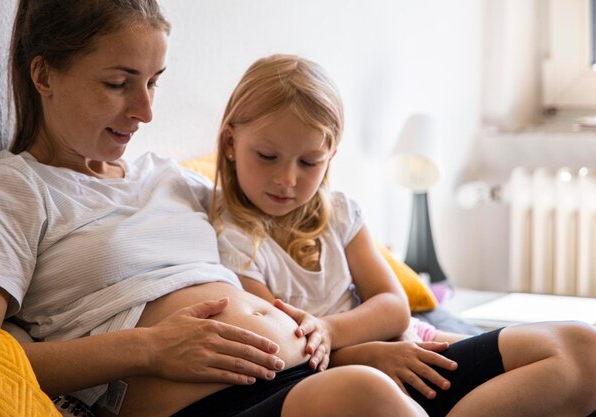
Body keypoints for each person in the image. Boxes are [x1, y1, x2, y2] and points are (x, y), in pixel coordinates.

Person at [0, 1, 433, 417]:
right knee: (364, 394)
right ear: (44, 75)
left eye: (153, 82)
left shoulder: (170, 176)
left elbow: (293, 216)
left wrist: (370, 338)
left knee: (502, 361)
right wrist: (147, 348)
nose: (146, 110)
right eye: (118, 83)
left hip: (305, 373)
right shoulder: (11, 188)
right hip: (216, 403)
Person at [209, 53, 596, 417]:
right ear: (230, 144)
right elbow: (284, 349)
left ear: (330, 157)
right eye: (267, 156)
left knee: (585, 349)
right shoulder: (232, 241)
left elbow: (394, 305)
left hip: (408, 339)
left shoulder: (340, 213)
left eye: (309, 162)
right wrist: (365, 355)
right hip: (352, 375)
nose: (287, 179)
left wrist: (329, 328)